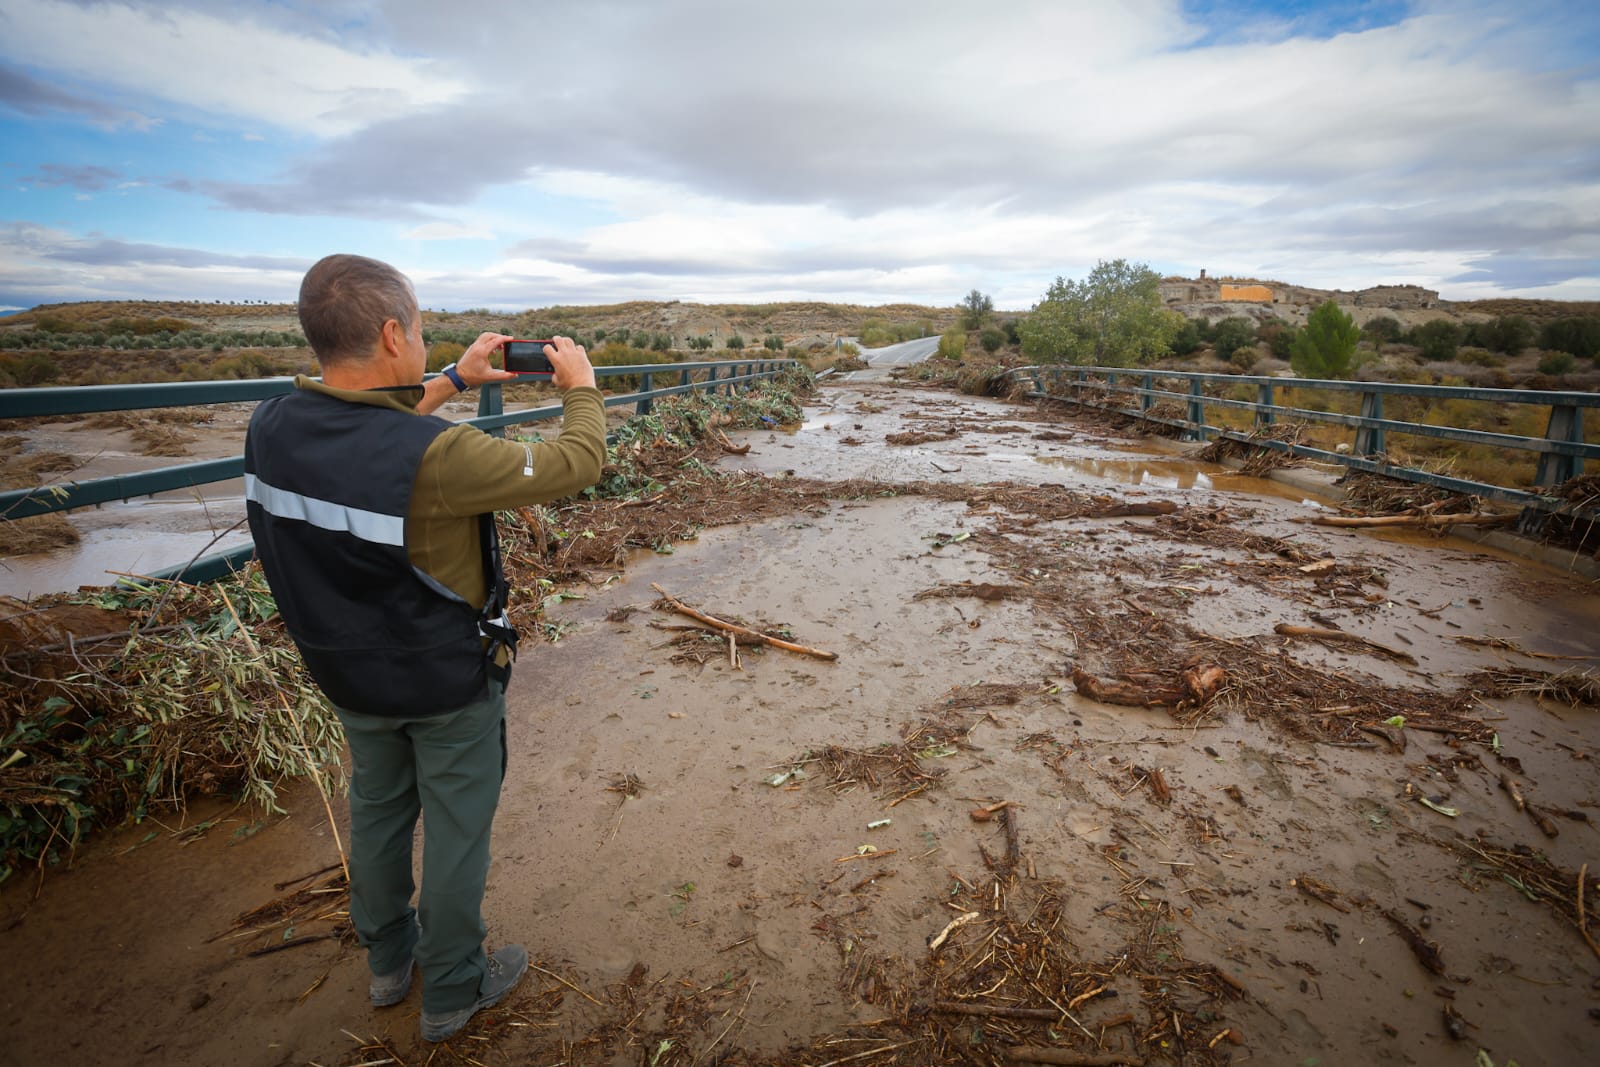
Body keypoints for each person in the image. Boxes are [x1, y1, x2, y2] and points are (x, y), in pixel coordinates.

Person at [244, 254, 605, 1042]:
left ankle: (387, 964)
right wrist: (577, 386)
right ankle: (452, 987)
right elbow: (578, 463)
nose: (424, 338)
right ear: (388, 332)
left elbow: (364, 436)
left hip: (346, 674)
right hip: (442, 681)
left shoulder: (271, 426)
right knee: (454, 828)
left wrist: (450, 378)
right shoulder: (435, 457)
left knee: (375, 811)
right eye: (420, 327)